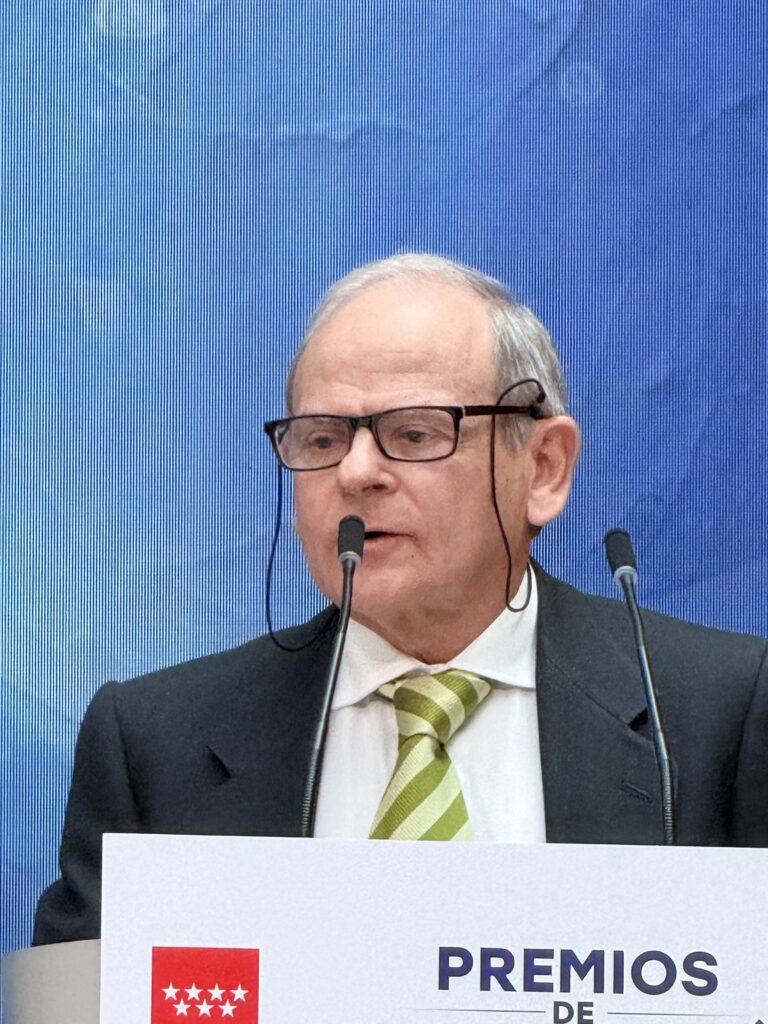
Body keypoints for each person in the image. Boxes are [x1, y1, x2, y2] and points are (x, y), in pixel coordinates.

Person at [34, 254, 768, 945]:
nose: (356, 472)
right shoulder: (155, 745)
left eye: (414, 433)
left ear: (544, 468)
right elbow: (78, 999)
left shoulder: (719, 718)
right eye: (322, 440)